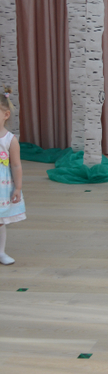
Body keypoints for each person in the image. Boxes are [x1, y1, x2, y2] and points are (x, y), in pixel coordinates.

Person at [0, 88, 24, 265]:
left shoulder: (9, 140)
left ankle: (1, 252)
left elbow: (16, 165)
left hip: (2, 188)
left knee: (0, 222)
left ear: (6, 115)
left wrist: (18, 187)